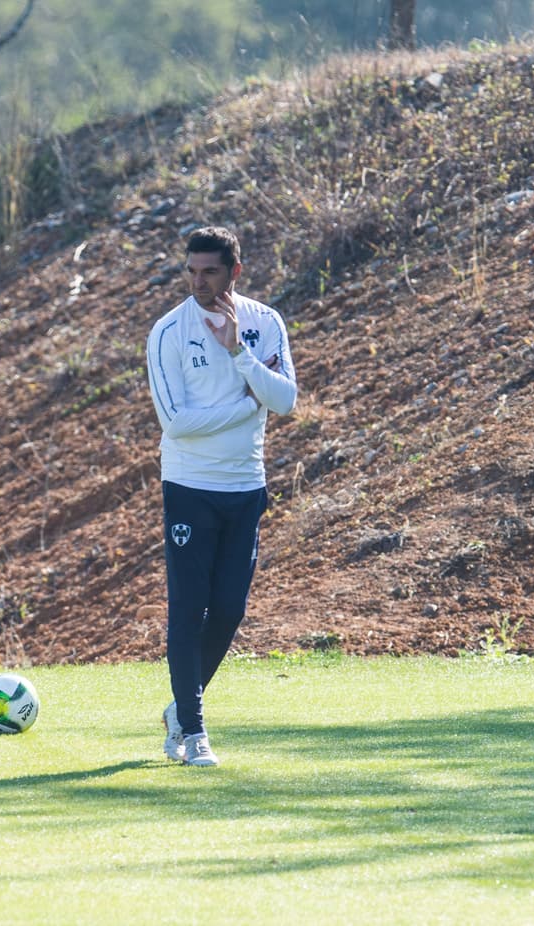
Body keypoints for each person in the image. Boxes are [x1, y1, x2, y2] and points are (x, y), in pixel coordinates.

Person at [145, 225, 298, 766]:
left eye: (210, 271)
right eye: (191, 270)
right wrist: (247, 403)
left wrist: (242, 360)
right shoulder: (167, 331)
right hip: (189, 486)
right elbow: (176, 423)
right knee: (188, 609)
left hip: (245, 486)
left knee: (229, 610)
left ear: (235, 271)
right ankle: (193, 732)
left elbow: (285, 401)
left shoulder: (264, 322)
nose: (198, 281)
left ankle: (178, 710)